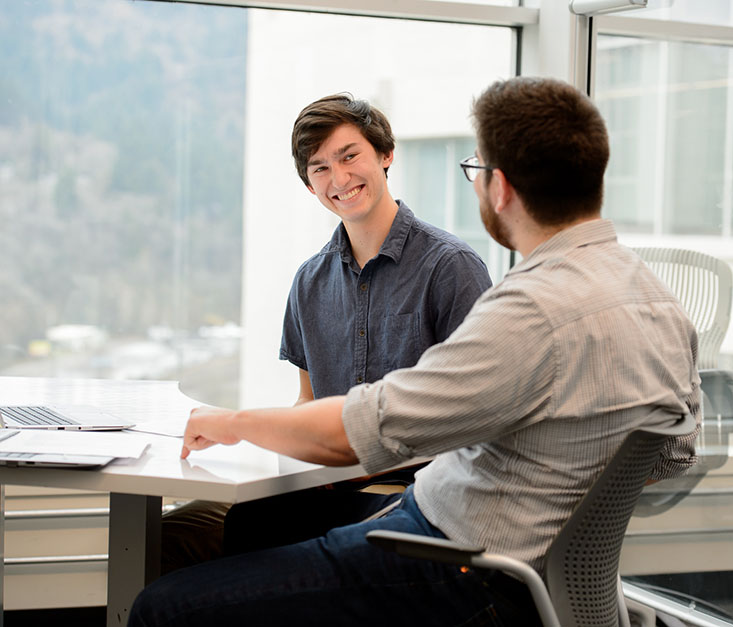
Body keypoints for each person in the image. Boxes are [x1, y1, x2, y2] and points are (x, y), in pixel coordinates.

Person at [130, 76, 702, 626]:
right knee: (247, 532)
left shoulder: (528, 308)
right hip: (516, 562)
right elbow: (672, 454)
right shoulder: (659, 302)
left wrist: (230, 422)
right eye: (321, 167)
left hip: (458, 566)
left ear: (498, 187)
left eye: (475, 169)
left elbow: (356, 430)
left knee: (165, 607)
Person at [160, 93, 493, 571]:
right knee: (200, 530)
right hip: (322, 486)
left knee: (258, 546)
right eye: (319, 168)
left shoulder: (450, 267)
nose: (339, 179)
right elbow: (308, 401)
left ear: (385, 154)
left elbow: (474, 418)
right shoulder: (309, 280)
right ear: (309, 184)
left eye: (349, 156)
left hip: (416, 497)